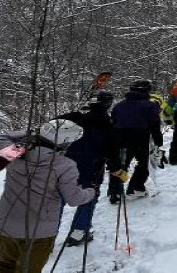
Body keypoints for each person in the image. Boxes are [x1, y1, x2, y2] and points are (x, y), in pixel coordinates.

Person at [0, 120, 95, 273]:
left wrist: (29, 134)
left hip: (4, 226)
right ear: (65, 143)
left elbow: (0, 137)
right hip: (38, 233)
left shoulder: (14, 153)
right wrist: (91, 192)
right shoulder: (64, 165)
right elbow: (74, 199)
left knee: (5, 266)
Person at [54, 91, 115, 247]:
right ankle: (78, 233)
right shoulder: (109, 124)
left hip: (66, 165)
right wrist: (116, 169)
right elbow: (113, 151)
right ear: (108, 104)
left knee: (58, 198)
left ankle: (49, 234)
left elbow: (50, 128)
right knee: (88, 197)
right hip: (93, 168)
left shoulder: (74, 117)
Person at [107, 80, 163, 202]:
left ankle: (115, 192)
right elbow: (155, 124)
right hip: (141, 137)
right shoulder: (151, 105)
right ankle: (136, 187)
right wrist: (158, 141)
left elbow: (113, 123)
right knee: (143, 164)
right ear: (147, 90)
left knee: (121, 164)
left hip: (121, 138)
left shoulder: (119, 105)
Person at [149, 90, 174, 168]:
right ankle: (157, 152)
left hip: (146, 122)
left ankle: (157, 152)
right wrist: (169, 120)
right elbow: (166, 110)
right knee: (156, 136)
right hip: (153, 122)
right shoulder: (158, 98)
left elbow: (166, 110)